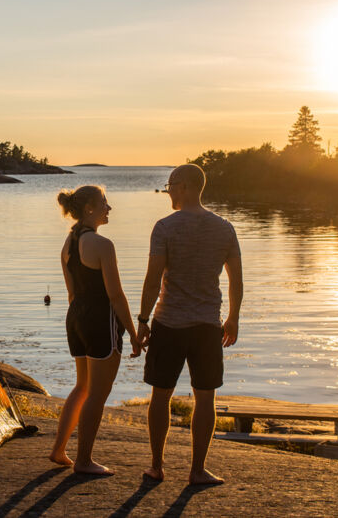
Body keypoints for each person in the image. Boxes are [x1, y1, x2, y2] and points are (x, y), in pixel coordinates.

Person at [137, 163, 243, 485]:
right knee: (205, 398)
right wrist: (233, 318)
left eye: (170, 184)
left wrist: (142, 321)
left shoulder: (165, 227)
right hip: (207, 326)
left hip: (168, 323)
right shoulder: (224, 228)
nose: (167, 190)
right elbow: (236, 280)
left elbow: (153, 280)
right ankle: (197, 470)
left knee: (161, 396)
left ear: (183, 186)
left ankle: (157, 466)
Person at [49, 185, 141, 476]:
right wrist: (135, 334)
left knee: (82, 387)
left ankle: (59, 450)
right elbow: (116, 295)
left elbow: (71, 293)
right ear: (89, 208)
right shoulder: (103, 246)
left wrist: (82, 320)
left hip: (76, 319)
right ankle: (84, 461)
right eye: (104, 202)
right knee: (97, 394)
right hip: (101, 322)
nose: (108, 208)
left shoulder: (68, 244)